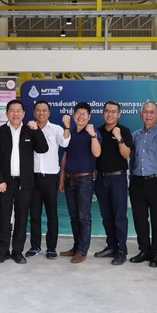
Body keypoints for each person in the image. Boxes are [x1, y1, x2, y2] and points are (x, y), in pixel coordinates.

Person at [0, 99, 49, 264]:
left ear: (23, 114)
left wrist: (37, 130)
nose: (15, 114)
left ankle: (17, 252)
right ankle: (2, 252)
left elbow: (43, 148)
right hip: (5, 183)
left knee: (22, 219)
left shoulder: (30, 131)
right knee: (4, 218)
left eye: (18, 111)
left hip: (25, 184)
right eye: (12, 111)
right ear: (7, 113)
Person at [129, 102, 157, 267]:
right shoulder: (135, 135)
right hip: (137, 182)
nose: (148, 115)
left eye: (152, 112)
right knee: (140, 219)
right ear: (141, 115)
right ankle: (144, 250)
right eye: (145, 112)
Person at [59, 102, 101, 264]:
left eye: (84, 114)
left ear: (89, 117)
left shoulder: (93, 133)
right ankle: (76, 247)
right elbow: (65, 156)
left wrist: (93, 136)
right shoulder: (70, 133)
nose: (81, 116)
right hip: (69, 179)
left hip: (85, 180)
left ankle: (82, 250)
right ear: (73, 115)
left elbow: (97, 153)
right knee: (74, 216)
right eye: (78, 113)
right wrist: (62, 178)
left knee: (84, 216)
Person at [28, 100, 70, 260]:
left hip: (51, 178)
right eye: (38, 110)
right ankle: (35, 246)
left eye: (44, 110)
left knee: (52, 214)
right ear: (34, 112)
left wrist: (67, 126)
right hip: (33, 177)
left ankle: (51, 248)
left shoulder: (57, 129)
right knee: (35, 214)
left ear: (49, 113)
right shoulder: (29, 128)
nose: (41, 113)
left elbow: (65, 142)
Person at [93, 101, 133, 266]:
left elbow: (126, 154)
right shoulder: (98, 131)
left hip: (118, 179)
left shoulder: (124, 130)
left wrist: (119, 138)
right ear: (103, 113)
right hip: (101, 178)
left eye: (113, 111)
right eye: (107, 111)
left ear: (119, 114)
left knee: (119, 216)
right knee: (106, 216)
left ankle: (122, 250)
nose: (110, 114)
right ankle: (111, 246)